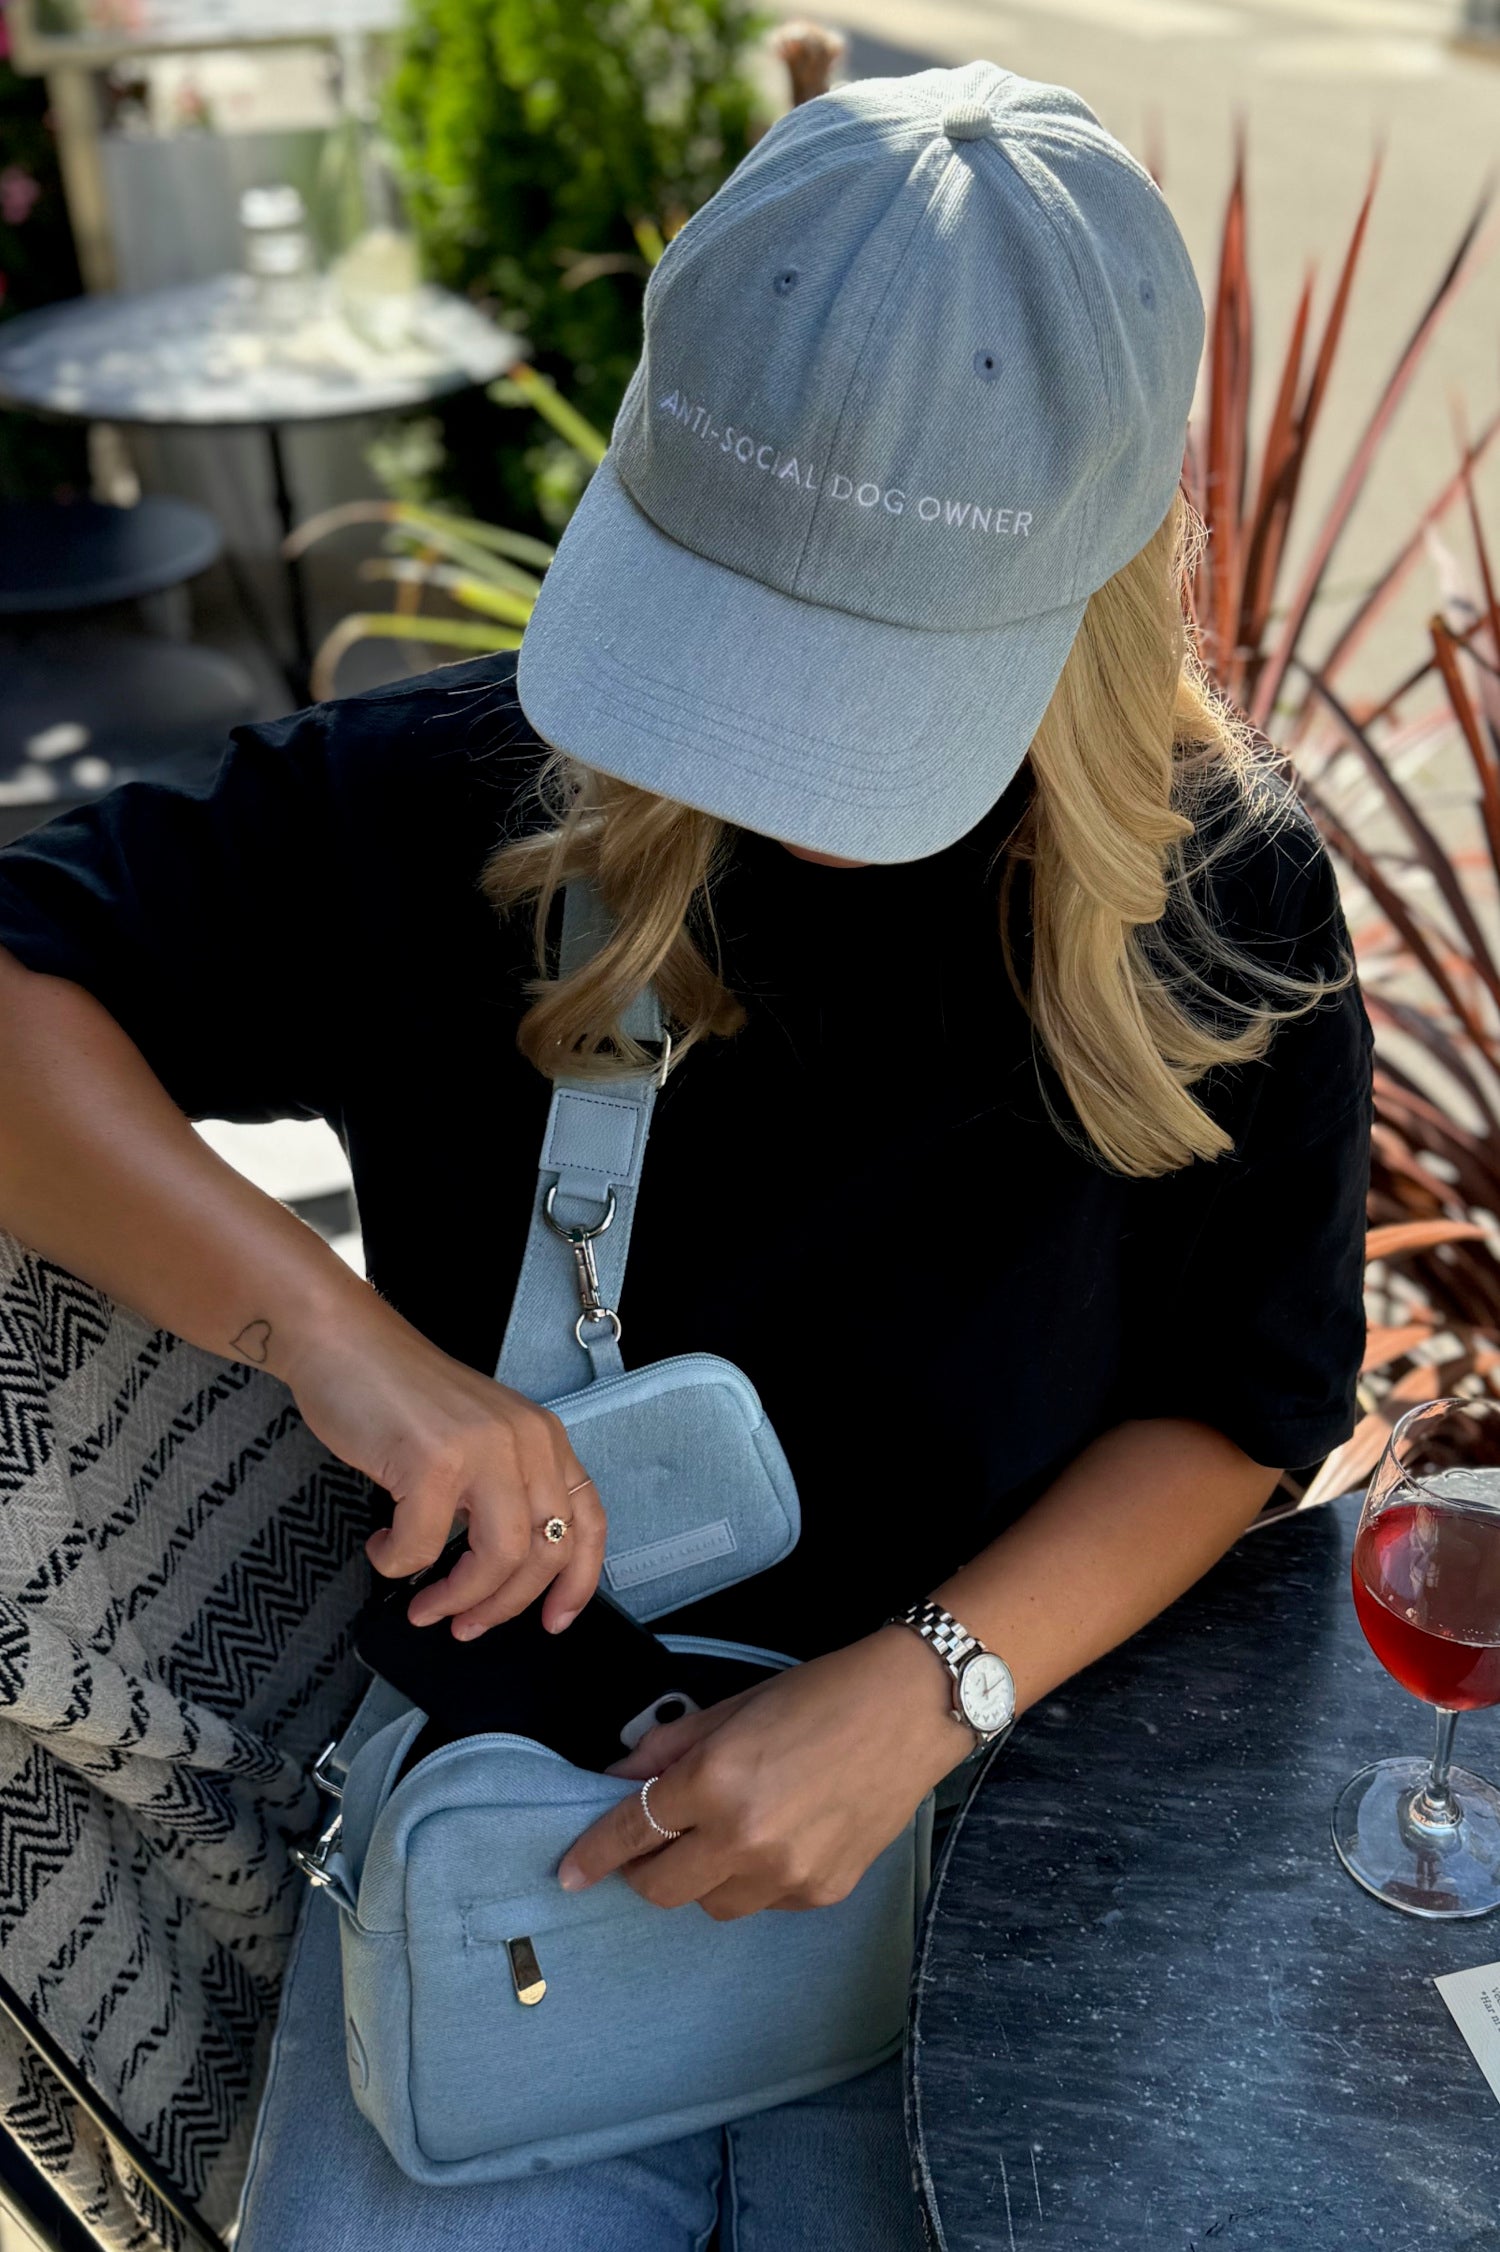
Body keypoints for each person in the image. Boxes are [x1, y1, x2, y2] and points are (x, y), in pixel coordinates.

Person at [0, 58, 1371, 2252]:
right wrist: (339, 1339)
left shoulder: (1222, 902)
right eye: (736, 635)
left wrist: (925, 1688)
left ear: (1104, 566)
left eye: (869, 681)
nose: (775, 766)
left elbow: (1250, 1398)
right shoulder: (454, 806)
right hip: (505, 1873)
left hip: (1007, 1830)